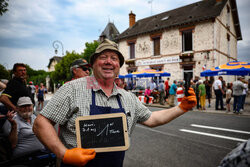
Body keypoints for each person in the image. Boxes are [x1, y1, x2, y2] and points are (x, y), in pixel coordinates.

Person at [33, 39, 196, 167]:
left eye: (114, 58)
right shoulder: (73, 89)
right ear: (93, 64)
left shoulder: (127, 97)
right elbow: (41, 123)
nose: (108, 62)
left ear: (119, 66)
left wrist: (181, 108)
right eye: (103, 57)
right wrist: (64, 154)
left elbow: (152, 119)